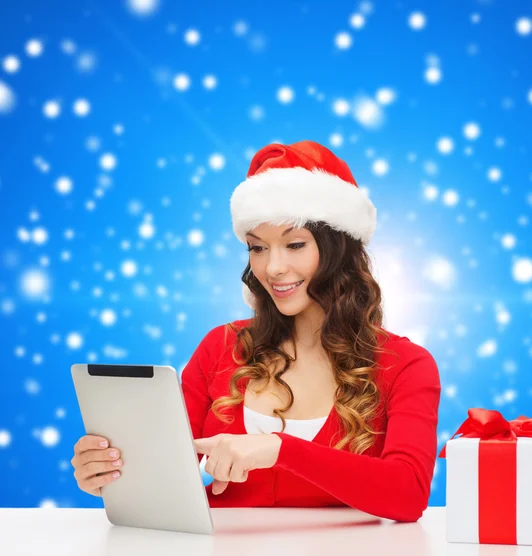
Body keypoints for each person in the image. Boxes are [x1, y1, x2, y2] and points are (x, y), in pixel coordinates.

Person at [72, 141, 441, 522]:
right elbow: (166, 470)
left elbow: (408, 495)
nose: (273, 268)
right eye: (257, 248)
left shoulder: (405, 365)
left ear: (339, 249)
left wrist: (278, 449)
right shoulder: (222, 346)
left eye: (294, 244)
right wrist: (111, 470)